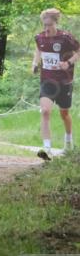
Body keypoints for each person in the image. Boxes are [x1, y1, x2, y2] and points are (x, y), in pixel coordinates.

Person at [32, 8, 78, 160]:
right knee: (45, 111)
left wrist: (69, 62)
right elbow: (38, 50)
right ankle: (47, 149)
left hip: (65, 81)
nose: (46, 28)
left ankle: (68, 143)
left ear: (55, 23)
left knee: (64, 114)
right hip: (47, 80)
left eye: (49, 25)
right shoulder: (40, 37)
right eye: (44, 25)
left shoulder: (65, 37)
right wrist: (35, 63)